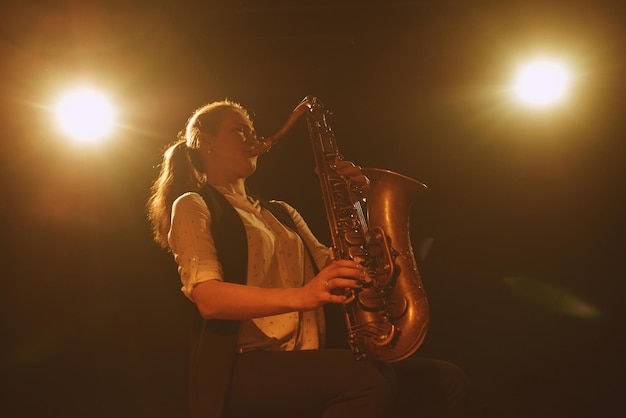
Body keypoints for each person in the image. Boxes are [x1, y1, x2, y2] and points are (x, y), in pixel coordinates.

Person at [147, 99, 483, 418]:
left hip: (304, 360)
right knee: (367, 380)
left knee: (447, 381)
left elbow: (339, 265)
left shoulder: (281, 212)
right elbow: (208, 299)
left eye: (252, 129)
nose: (254, 137)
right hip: (243, 365)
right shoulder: (193, 204)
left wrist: (358, 205)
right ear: (206, 142)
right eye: (240, 130)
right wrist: (304, 295)